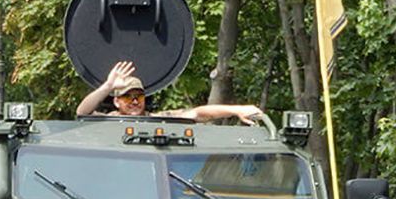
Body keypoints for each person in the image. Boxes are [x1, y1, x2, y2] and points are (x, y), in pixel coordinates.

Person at [76, 61, 264, 123]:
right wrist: (108, 86)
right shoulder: (107, 122)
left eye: (138, 96)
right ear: (116, 101)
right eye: (127, 96)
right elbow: (82, 113)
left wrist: (237, 110)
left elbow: (197, 113)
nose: (134, 101)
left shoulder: (159, 119)